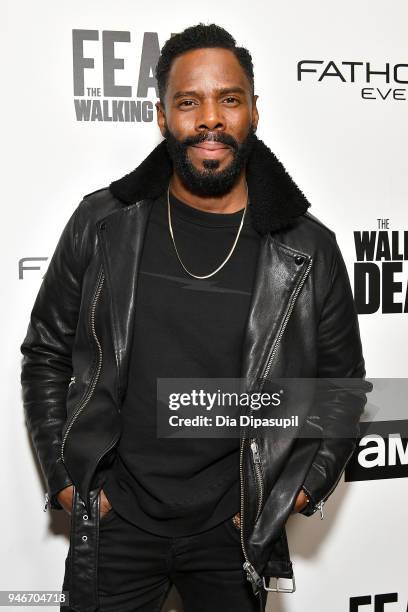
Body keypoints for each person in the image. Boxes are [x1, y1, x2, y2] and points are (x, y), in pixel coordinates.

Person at [20, 22, 371, 612]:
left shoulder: (306, 250)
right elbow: (47, 353)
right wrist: (65, 475)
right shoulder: (104, 223)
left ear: (254, 111)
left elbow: (343, 387)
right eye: (189, 102)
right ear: (162, 117)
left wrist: (295, 491)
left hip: (233, 530)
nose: (210, 118)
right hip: (116, 519)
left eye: (228, 99)